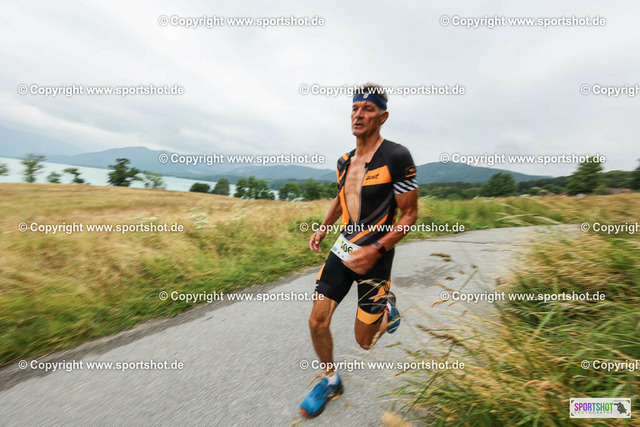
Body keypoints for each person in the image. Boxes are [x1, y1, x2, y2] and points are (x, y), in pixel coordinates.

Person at [300, 83, 418, 418]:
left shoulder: (396, 156)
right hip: (343, 250)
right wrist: (323, 227)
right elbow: (342, 197)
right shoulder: (343, 160)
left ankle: (387, 311)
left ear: (383, 116)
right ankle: (331, 380)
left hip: (375, 258)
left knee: (364, 341)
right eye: (355, 108)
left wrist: (375, 250)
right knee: (316, 322)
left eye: (367, 109)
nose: (358, 114)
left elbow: (409, 214)